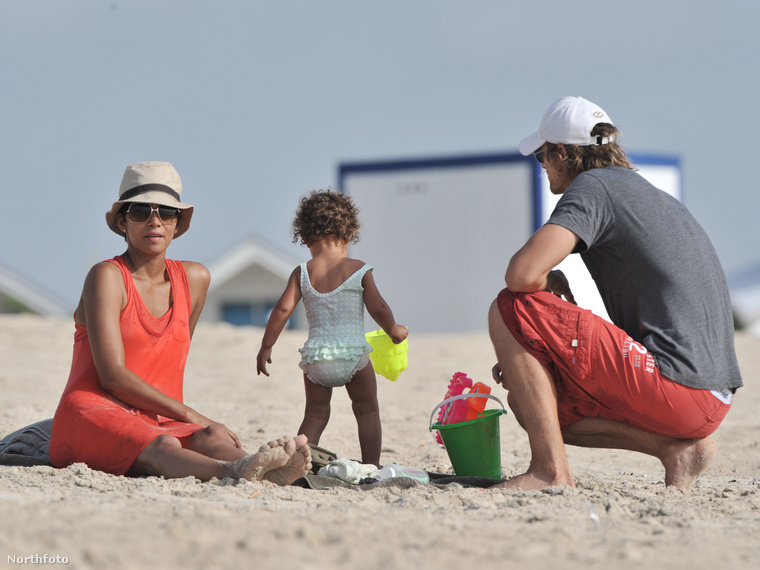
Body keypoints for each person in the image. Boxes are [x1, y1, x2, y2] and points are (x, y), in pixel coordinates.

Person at [488, 96, 742, 491]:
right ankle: (675, 450)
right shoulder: (644, 192)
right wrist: (531, 361)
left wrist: (547, 284)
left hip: (678, 385)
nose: (542, 168)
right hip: (713, 397)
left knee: (509, 307)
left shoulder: (594, 187)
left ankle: (549, 473)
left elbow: (520, 276)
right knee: (532, 403)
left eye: (541, 157)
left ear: (561, 153)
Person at [49, 161, 311, 484]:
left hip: (156, 417)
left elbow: (166, 357)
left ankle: (263, 467)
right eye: (141, 211)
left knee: (211, 435)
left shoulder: (195, 279)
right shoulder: (106, 277)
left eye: (166, 212)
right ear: (122, 221)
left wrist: (197, 423)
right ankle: (233, 471)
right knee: (163, 443)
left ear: (177, 223)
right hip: (93, 412)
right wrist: (190, 414)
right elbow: (112, 377)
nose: (154, 221)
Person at [256, 189, 407, 467]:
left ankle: (296, 464)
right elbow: (378, 308)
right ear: (348, 235)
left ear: (304, 238)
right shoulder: (359, 269)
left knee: (315, 414)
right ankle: (371, 466)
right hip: (353, 356)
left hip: (317, 359)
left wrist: (266, 346)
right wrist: (394, 330)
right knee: (366, 410)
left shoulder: (303, 272)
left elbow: (283, 309)